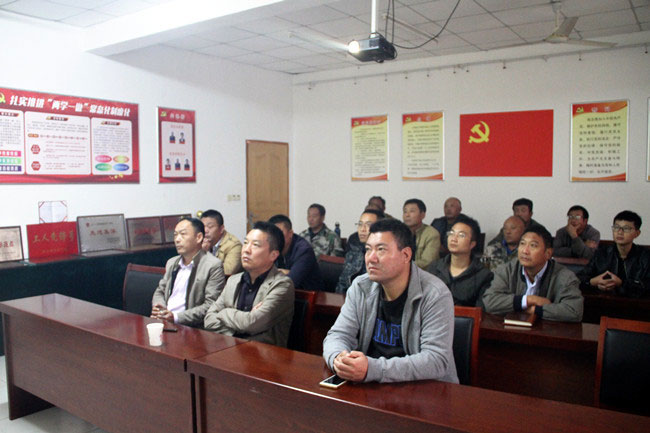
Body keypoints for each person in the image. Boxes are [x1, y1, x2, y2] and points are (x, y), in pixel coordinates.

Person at [323, 219, 458, 383]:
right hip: (372, 384)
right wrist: (338, 358)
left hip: (424, 388)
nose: (371, 258)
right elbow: (338, 335)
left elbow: (435, 360)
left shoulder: (435, 294)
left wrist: (372, 369)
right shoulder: (361, 287)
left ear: (406, 255)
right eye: (368, 249)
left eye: (381, 250)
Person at [203, 221, 294, 346]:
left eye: (255, 245)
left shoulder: (282, 285)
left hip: (263, 354)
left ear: (273, 255)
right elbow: (209, 319)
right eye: (245, 243)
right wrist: (241, 326)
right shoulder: (233, 280)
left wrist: (224, 312)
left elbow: (252, 323)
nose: (246, 250)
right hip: (230, 349)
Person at [483, 225, 584, 322]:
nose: (525, 251)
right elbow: (489, 301)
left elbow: (574, 311)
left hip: (547, 331)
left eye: (533, 245)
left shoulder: (565, 277)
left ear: (548, 253)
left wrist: (535, 310)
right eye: (522, 243)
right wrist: (529, 300)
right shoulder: (507, 270)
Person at [151, 217, 225, 327]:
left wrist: (176, 317)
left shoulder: (213, 265)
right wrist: (160, 309)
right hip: (165, 322)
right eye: (175, 235)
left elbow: (211, 305)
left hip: (191, 327)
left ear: (199, 237)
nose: (177, 239)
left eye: (183, 234)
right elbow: (160, 291)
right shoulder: (172, 263)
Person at [578, 211, 650, 298]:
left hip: (636, 304)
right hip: (605, 301)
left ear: (637, 233)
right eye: (616, 227)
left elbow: (646, 286)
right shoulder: (602, 253)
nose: (620, 232)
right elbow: (579, 278)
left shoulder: (645, 257)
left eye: (626, 228)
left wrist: (621, 283)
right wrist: (592, 282)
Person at [429, 215, 493, 308]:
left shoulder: (483, 275)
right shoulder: (435, 268)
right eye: (451, 233)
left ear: (472, 244)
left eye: (461, 235)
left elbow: (480, 310)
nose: (454, 239)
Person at [269, 214, 324, 291]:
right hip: (284, 292)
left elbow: (291, 282)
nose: (275, 237)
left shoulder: (304, 250)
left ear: (290, 233)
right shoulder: (271, 248)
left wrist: (278, 273)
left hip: (308, 295)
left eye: (280, 233)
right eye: (272, 234)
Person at [335, 209, 384, 294]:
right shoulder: (354, 251)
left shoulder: (384, 256)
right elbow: (342, 282)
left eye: (368, 225)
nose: (362, 229)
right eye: (360, 224)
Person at [200, 209, 242, 275]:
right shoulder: (199, 240)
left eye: (210, 227)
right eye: (203, 227)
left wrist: (206, 253)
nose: (205, 230)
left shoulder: (234, 245)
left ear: (221, 229)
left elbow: (227, 272)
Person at [403, 198, 440, 270]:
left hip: (423, 273)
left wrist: (403, 266)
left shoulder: (431, 233)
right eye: (405, 211)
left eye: (412, 211)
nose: (407, 215)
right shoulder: (397, 232)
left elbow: (428, 262)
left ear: (422, 215)